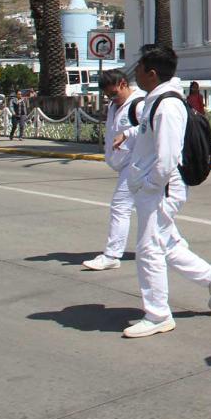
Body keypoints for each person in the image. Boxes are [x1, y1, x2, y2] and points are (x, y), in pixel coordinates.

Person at [117, 44, 211, 338]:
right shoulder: (156, 100)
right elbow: (148, 134)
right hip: (155, 187)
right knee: (167, 243)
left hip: (161, 188)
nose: (136, 75)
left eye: (139, 69)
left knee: (148, 249)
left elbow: (167, 156)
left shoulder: (167, 104)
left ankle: (158, 315)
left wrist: (150, 184)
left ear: (151, 73)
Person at [83, 70, 145, 272]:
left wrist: (127, 133)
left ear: (123, 83)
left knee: (120, 207)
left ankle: (112, 255)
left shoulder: (139, 103)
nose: (112, 99)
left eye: (114, 93)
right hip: (125, 164)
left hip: (137, 164)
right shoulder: (114, 105)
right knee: (152, 210)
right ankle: (172, 248)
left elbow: (151, 127)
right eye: (108, 96)